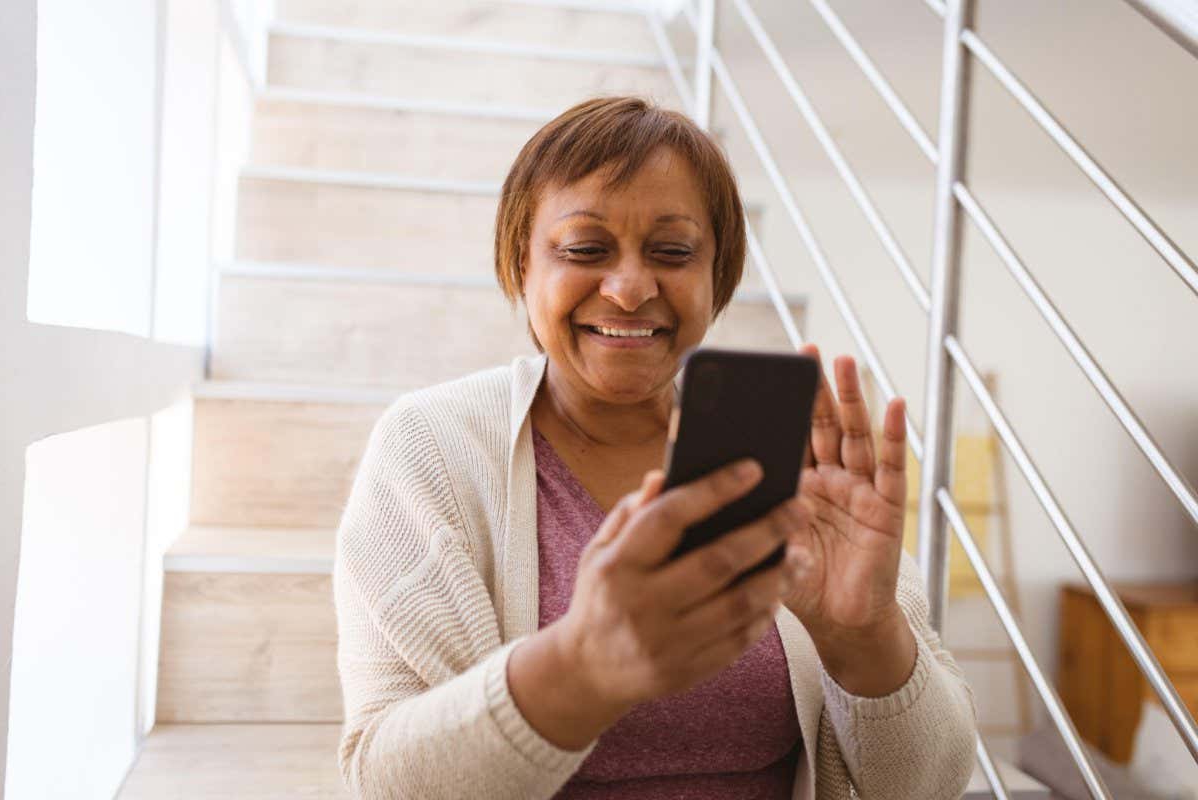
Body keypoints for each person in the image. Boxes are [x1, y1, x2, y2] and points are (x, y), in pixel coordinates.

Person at [333, 96, 977, 799]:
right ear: (521, 264)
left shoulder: (791, 461)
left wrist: (862, 634)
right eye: (585, 250)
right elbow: (383, 781)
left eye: (673, 253)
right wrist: (580, 667)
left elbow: (929, 785)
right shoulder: (431, 448)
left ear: (717, 275)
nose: (631, 289)